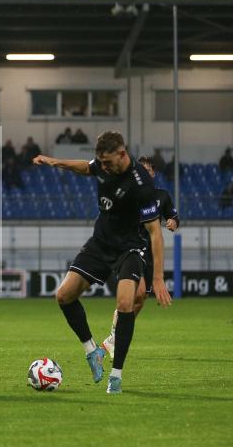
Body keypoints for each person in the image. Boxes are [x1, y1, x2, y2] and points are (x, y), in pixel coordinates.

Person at [32, 131, 171, 394]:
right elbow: (86, 167)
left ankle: (116, 377)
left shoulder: (141, 185)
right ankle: (92, 352)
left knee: (125, 303)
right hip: (100, 243)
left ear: (122, 154)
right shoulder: (103, 165)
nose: (103, 168)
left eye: (107, 163)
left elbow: (155, 232)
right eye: (101, 162)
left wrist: (158, 278)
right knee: (63, 295)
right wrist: (54, 162)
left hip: (128, 248)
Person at [102, 156, 180, 358]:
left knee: (140, 299)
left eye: (147, 170)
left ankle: (114, 337)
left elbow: (173, 215)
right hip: (131, 248)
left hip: (151, 253)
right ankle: (115, 336)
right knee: (137, 292)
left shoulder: (162, 196)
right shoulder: (129, 195)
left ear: (152, 174)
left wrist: (172, 222)